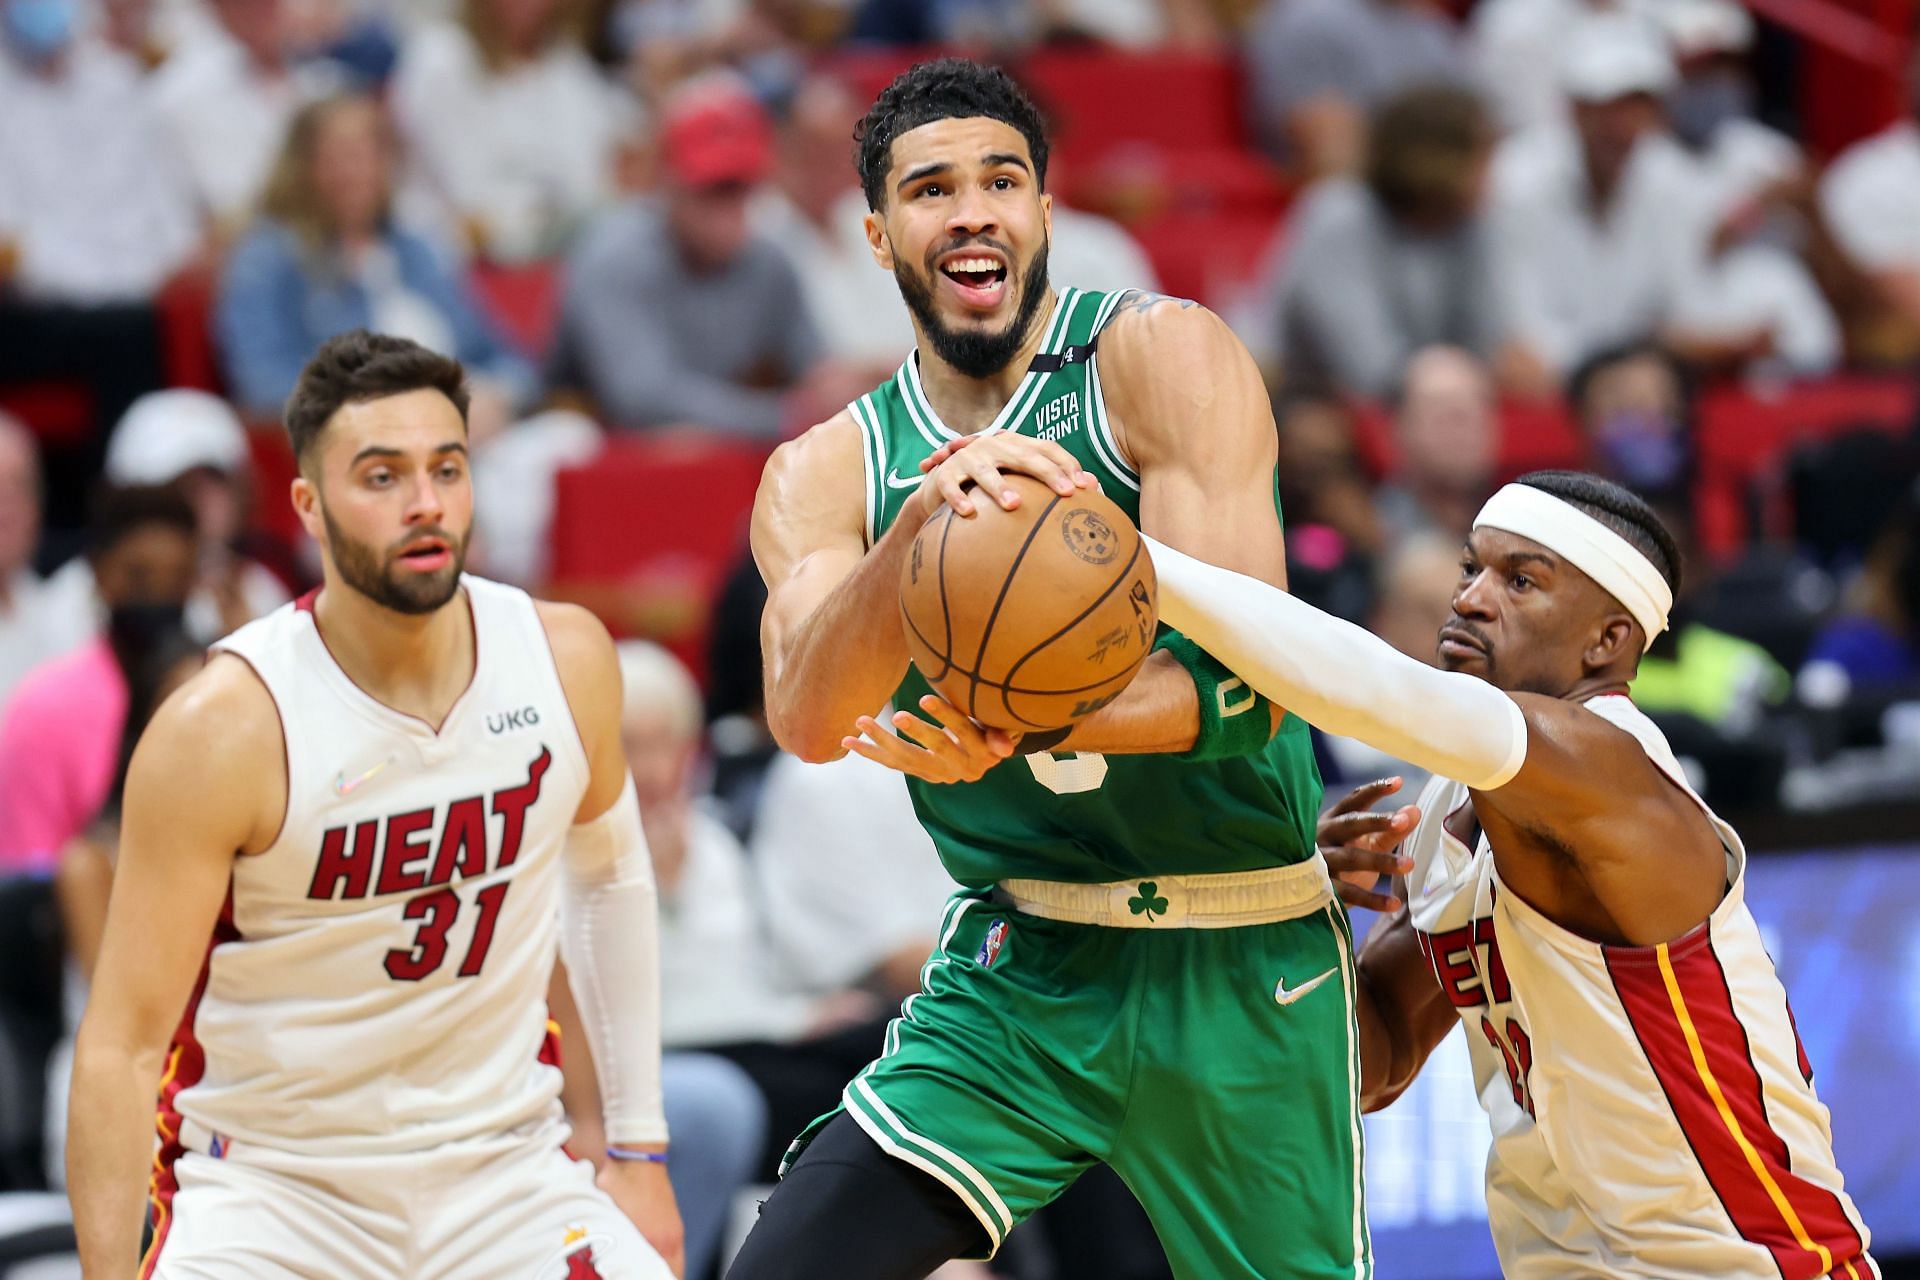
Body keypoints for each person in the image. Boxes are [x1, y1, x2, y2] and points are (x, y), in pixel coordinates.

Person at [729, 59, 1356, 1280]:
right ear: (877, 234)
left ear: (1045, 213)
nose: (972, 210)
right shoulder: (828, 468)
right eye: (931, 189)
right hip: (1023, 968)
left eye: (1002, 179)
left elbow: (1256, 683)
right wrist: (915, 533)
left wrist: (1021, 722)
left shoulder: (1159, 359)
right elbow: (808, 713)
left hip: (1239, 950)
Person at [1139, 470, 1875, 1277]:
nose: (1471, 599)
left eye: (1520, 581)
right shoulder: (1453, 802)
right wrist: (1290, 900)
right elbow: (1373, 1060)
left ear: (1607, 641)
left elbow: (1370, 689)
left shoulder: (1608, 764)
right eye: (1470, 569)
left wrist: (1136, 560)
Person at [66, 331, 685, 1278]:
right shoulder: (225, 727)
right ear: (309, 506)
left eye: (447, 468)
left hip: (504, 1176)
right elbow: (121, 1046)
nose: (426, 502)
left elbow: (609, 879)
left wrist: (637, 1151)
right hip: (276, 1192)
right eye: (383, 476)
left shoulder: (563, 659)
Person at [217, 92, 536, 427]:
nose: (354, 172)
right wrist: (397, 415)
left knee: (565, 440)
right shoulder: (268, 259)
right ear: (301, 167)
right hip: (368, 445)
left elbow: (505, 356)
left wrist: (498, 398)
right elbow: (263, 384)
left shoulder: (416, 247)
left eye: (366, 154)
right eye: (336, 157)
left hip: (470, 424)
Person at [552, 71, 844, 437]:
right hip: (600, 453)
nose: (727, 207)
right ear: (666, 179)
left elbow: (818, 375)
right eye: (712, 186)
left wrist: (836, 393)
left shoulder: (768, 262)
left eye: (739, 186)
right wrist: (783, 416)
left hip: (718, 461)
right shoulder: (614, 256)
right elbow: (643, 400)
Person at [1265, 86, 1522, 399]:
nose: (1494, 176)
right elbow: (1369, 369)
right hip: (1298, 402)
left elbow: (1488, 343)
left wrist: (1497, 367)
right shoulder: (1338, 217)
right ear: (1435, 160)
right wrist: (1471, 377)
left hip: (1421, 404)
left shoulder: (1470, 226)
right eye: (1482, 157)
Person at [0, 485, 198, 880]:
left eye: (178, 578)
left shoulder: (214, 693)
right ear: (98, 574)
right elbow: (26, 878)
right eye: (138, 576)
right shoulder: (44, 708)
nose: (160, 595)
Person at [392, 0, 633, 263]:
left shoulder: (567, 64)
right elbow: (472, 202)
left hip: (559, 257)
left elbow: (595, 178)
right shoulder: (441, 58)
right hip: (452, 262)